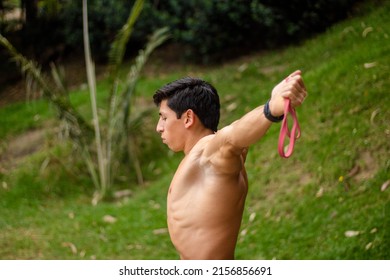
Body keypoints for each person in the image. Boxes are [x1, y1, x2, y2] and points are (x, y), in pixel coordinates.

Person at [153, 70, 307, 259]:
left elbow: (232, 136)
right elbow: (239, 129)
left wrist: (272, 109)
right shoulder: (207, 155)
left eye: (164, 117)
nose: (159, 127)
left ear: (188, 118)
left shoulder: (211, 154)